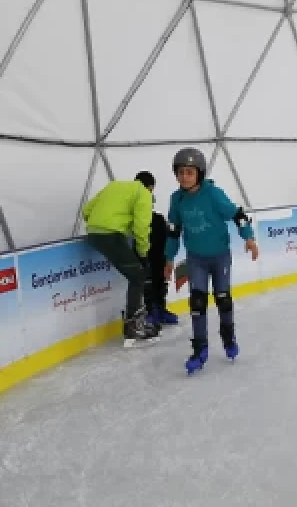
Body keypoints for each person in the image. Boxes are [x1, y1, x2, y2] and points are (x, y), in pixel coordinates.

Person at [162, 148, 259, 374]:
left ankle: (228, 338)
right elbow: (174, 231)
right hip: (196, 258)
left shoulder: (213, 194)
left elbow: (238, 215)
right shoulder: (177, 199)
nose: (184, 177)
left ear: (200, 173)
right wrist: (169, 258)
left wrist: (249, 238)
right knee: (197, 303)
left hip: (219, 256)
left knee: (223, 298)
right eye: (181, 172)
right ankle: (200, 349)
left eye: (189, 172)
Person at [81, 173, 159, 347]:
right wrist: (143, 253)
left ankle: (134, 323)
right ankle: (134, 326)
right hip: (111, 236)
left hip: (94, 234)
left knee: (134, 275)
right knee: (138, 277)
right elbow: (141, 226)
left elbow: (86, 211)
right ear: (150, 187)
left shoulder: (114, 186)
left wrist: (97, 225)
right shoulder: (143, 193)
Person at [134, 171, 179, 330]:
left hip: (155, 246)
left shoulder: (155, 214)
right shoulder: (134, 197)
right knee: (148, 278)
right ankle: (151, 310)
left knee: (160, 276)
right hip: (142, 242)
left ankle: (160, 308)